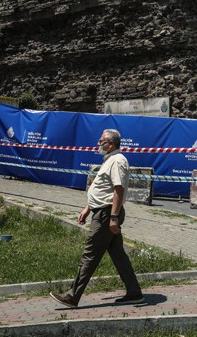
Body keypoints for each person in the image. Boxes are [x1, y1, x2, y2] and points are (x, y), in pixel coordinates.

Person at [50, 129, 143, 308]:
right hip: (102, 211)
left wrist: (113, 217)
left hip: (106, 214)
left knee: (90, 255)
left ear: (111, 144)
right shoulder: (110, 159)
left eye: (101, 141)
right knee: (118, 255)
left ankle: (72, 296)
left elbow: (118, 190)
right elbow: (103, 189)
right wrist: (88, 209)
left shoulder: (118, 160)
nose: (98, 144)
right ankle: (134, 292)